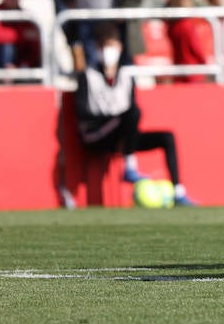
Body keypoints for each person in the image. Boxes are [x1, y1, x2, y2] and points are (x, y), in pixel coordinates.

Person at [74, 22, 194, 205]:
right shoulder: (87, 76)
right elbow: (82, 112)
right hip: (97, 135)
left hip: (124, 135)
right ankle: (130, 166)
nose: (108, 51)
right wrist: (113, 117)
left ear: (120, 48)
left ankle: (178, 191)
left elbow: (129, 108)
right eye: (104, 46)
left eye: (112, 46)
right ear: (96, 48)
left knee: (166, 136)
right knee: (130, 113)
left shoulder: (126, 75)